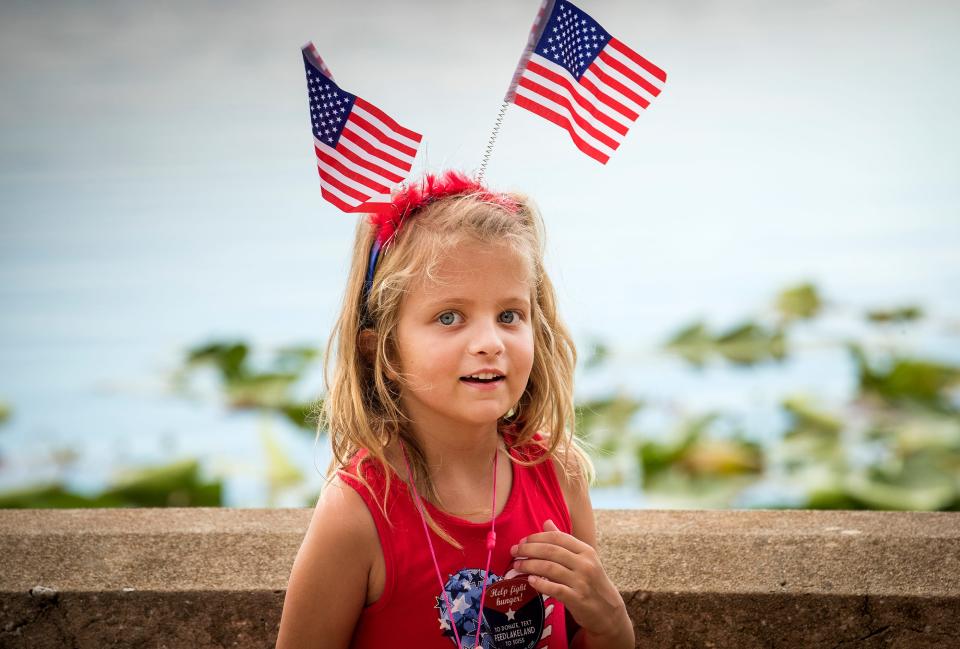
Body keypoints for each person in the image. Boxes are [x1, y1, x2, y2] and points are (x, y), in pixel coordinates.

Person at [275, 171, 634, 649]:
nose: (489, 343)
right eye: (449, 317)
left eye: (509, 315)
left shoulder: (558, 474)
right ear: (381, 348)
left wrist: (610, 622)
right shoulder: (358, 513)